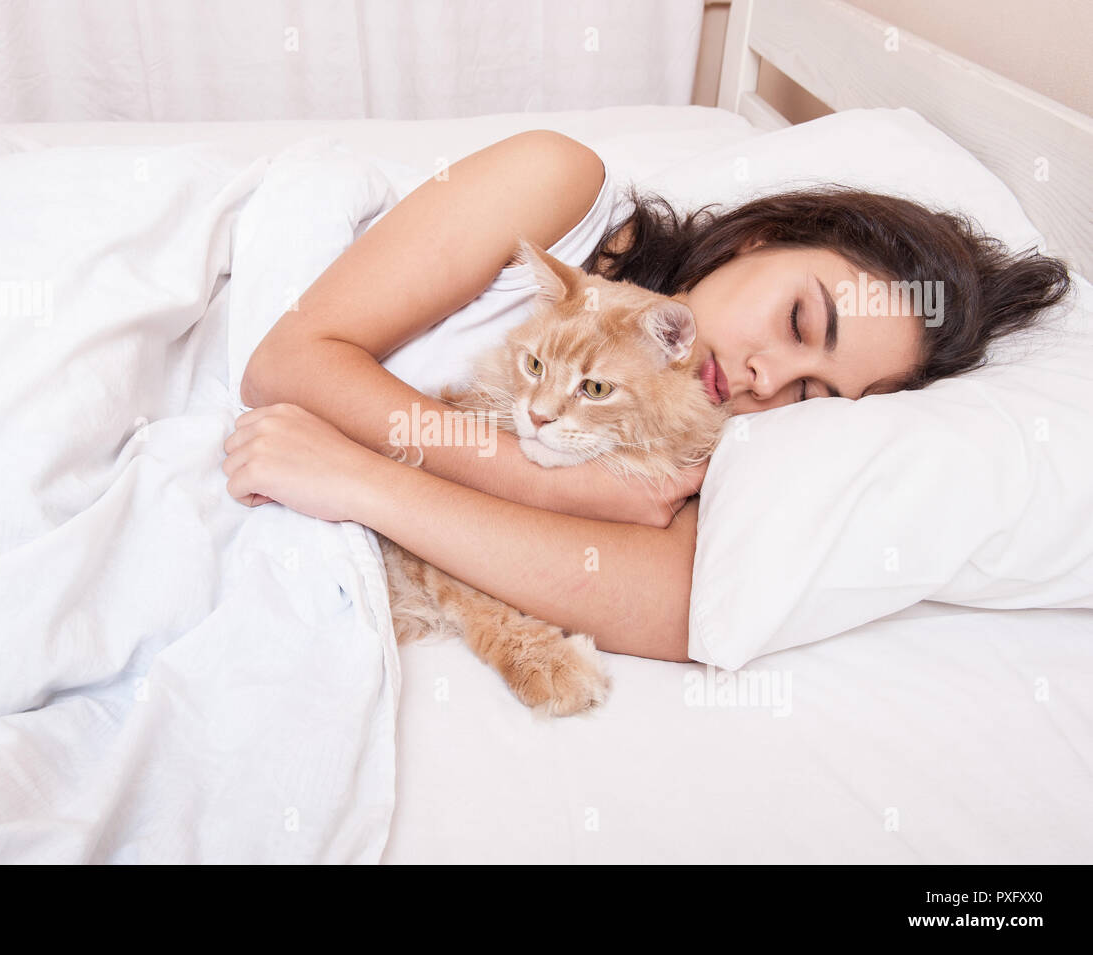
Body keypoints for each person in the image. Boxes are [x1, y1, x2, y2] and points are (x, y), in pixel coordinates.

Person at [221, 129, 1071, 662]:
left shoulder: (696, 446)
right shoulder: (560, 190)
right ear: (758, 239)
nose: (766, 378)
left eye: (812, 392)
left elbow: (672, 610)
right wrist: (543, 482)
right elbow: (286, 363)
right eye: (797, 320)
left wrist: (362, 481)